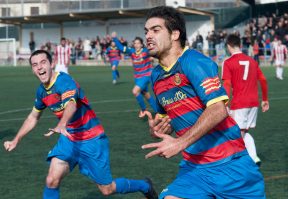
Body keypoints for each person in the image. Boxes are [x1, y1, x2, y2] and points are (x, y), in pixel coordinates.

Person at [142, 6, 266, 199]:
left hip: (230, 167)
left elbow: (218, 109)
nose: (148, 36)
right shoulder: (156, 76)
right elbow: (166, 120)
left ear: (175, 34)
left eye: (155, 30)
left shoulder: (194, 62)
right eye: (146, 31)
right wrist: (157, 129)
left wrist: (180, 143)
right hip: (194, 169)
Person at [3, 50, 157, 199]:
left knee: (107, 189)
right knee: (51, 180)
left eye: (43, 62)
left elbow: (71, 104)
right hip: (69, 139)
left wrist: (62, 123)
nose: (39, 67)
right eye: (35, 64)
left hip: (92, 138)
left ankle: (145, 186)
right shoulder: (41, 92)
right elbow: (33, 117)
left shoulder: (64, 81)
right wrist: (16, 139)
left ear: (52, 64)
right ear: (32, 69)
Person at [222, 34, 270, 166]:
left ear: (228, 46)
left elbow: (227, 85)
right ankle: (253, 157)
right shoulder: (252, 61)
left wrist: (225, 104)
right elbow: (263, 80)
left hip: (239, 103)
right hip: (253, 103)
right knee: (243, 131)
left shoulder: (228, 62)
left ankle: (237, 162)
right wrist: (265, 99)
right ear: (240, 45)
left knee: (236, 133)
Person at [112, 32, 157, 118]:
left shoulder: (146, 51)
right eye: (135, 43)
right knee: (146, 95)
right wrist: (115, 38)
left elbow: (155, 51)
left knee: (135, 91)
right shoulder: (131, 51)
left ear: (141, 44)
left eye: (138, 43)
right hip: (137, 77)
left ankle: (144, 110)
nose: (136, 45)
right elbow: (121, 48)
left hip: (146, 75)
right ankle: (158, 112)